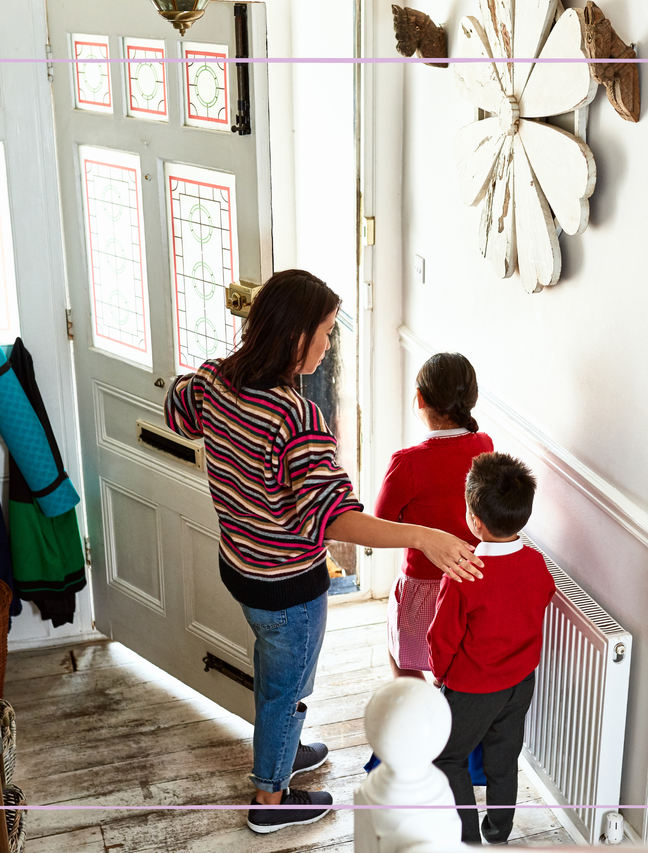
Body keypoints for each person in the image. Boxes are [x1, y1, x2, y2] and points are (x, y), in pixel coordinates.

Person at [164, 269, 485, 834]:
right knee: (287, 691)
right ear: (296, 340)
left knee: (273, 671)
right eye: (327, 331)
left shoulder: (213, 381)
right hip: (287, 585)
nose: (330, 343)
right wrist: (421, 536)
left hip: (240, 566)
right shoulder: (295, 419)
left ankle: (281, 751)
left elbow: (177, 408)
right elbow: (336, 518)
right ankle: (270, 801)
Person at [428, 452, 556, 845]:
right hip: (521, 682)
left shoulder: (464, 574)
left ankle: (466, 837)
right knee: (503, 759)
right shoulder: (536, 563)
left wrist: (440, 675)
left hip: (473, 688)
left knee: (447, 757)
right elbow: (542, 597)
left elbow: (441, 638)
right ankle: (498, 832)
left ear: (473, 520)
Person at [375, 353, 493, 680]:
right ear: (472, 399)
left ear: (420, 398)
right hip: (470, 583)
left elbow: (380, 521)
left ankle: (418, 722)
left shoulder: (407, 463)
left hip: (423, 586)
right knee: (449, 663)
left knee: (406, 662)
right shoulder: (484, 444)